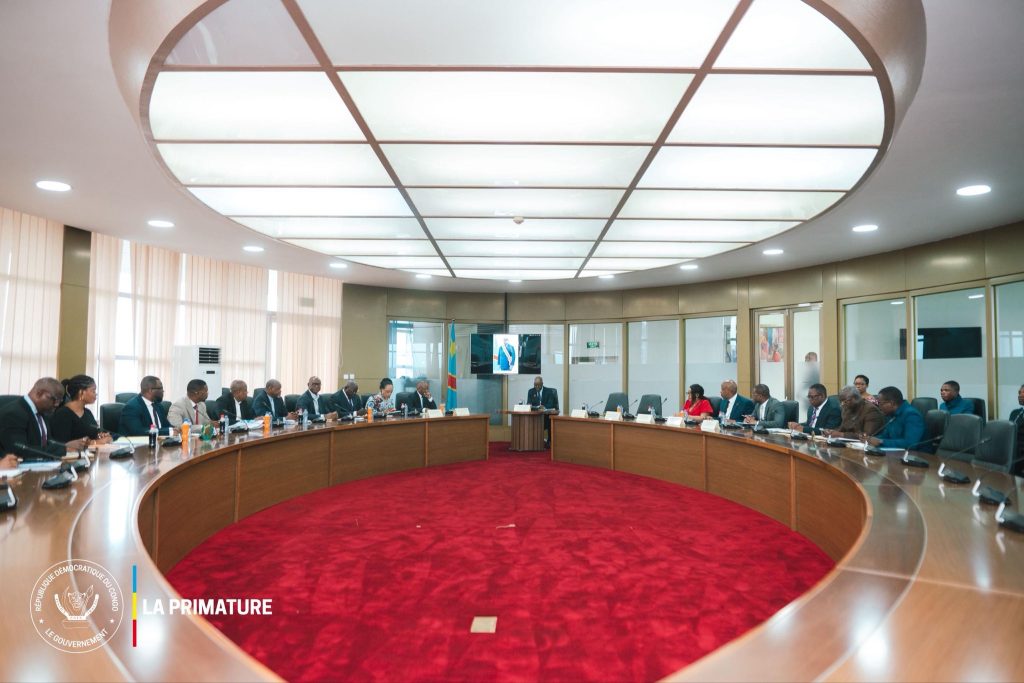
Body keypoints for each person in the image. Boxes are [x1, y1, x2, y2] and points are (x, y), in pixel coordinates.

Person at [0, 377, 89, 456]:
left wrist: (66, 446)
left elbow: (48, 442)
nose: (57, 404)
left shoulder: (42, 412)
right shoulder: (14, 413)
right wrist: (63, 449)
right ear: (39, 394)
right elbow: (19, 449)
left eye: (60, 401)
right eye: (54, 399)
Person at [50, 374, 112, 444]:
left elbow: (94, 433)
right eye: (93, 391)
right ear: (81, 392)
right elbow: (63, 445)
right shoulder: (63, 414)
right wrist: (96, 442)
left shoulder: (87, 412)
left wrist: (101, 436)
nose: (96, 394)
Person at [527, 376, 559, 446]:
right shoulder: (531, 391)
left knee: (550, 419)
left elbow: (551, 404)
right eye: (535, 385)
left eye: (538, 385)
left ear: (542, 384)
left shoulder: (549, 392)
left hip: (546, 417)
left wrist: (544, 407)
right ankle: (531, 442)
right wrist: (535, 407)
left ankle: (549, 441)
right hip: (535, 416)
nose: (537, 386)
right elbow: (529, 404)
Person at [1010, 384, 1024, 476]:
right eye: (1019, 392)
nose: (1020, 395)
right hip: (1014, 450)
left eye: (1023, 393)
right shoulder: (1015, 413)